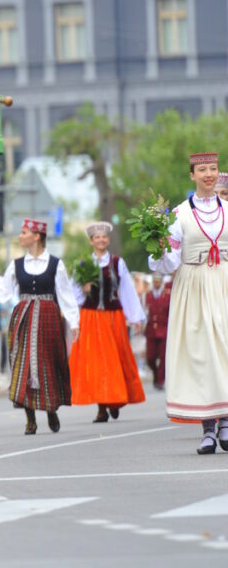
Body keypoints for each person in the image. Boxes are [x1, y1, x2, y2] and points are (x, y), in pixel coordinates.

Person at [0, 219, 79, 435]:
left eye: (24, 232)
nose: (20, 236)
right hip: (23, 319)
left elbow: (66, 296)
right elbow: (2, 293)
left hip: (49, 318)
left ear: (37, 236)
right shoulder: (16, 265)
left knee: (49, 363)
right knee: (22, 364)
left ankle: (51, 408)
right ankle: (30, 417)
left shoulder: (56, 264)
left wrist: (74, 323)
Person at [148, 152, 228, 455]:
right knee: (202, 353)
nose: (209, 174)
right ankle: (208, 427)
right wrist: (159, 249)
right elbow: (167, 265)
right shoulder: (179, 214)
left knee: (225, 349)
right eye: (202, 169)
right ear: (192, 175)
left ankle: (225, 422)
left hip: (223, 283)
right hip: (192, 284)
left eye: (213, 168)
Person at [69, 221, 146, 423]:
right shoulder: (83, 265)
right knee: (96, 363)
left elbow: (127, 289)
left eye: (104, 237)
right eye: (97, 237)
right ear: (91, 241)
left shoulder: (117, 262)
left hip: (113, 317)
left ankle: (115, 399)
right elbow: (72, 293)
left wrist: (135, 317)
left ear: (108, 240)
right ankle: (102, 406)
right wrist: (83, 291)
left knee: (115, 359)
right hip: (91, 316)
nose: (101, 240)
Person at [144, 274, 172, 391]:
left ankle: (160, 380)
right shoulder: (148, 295)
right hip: (151, 330)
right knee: (150, 358)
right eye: (154, 281)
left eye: (158, 281)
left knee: (163, 357)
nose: (156, 283)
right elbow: (144, 311)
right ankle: (156, 375)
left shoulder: (167, 295)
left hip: (164, 329)